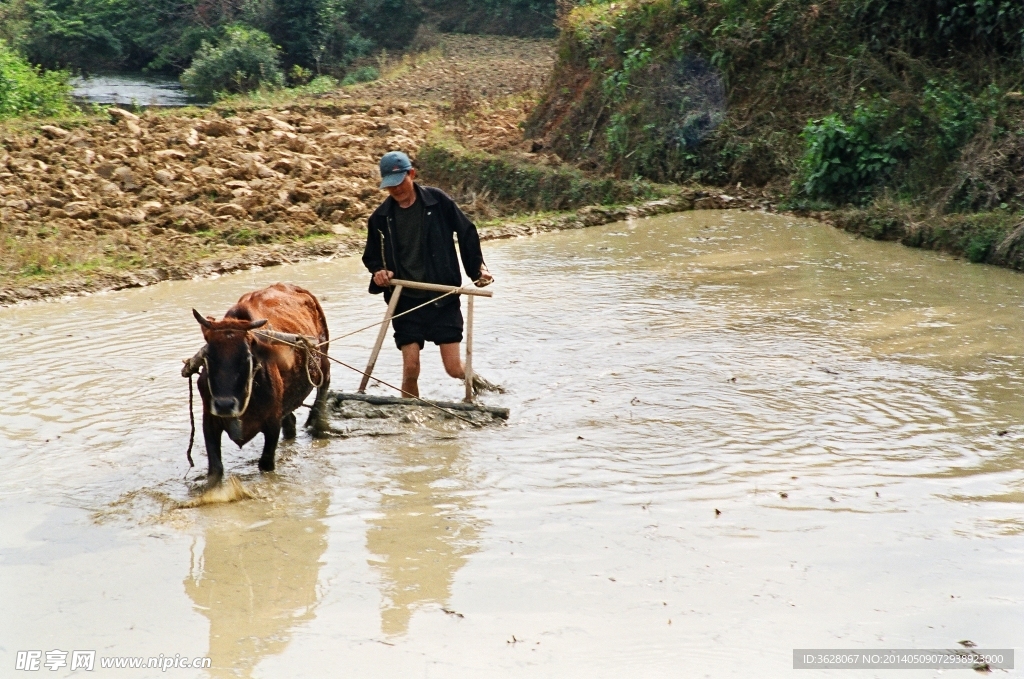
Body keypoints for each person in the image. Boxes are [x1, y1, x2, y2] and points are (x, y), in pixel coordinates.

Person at [362, 151, 493, 398]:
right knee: (411, 369)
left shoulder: (438, 202)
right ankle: (409, 417)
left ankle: (479, 388)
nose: (396, 190)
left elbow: (466, 232)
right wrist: (379, 272)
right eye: (390, 186)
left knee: (453, 368)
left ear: (411, 174)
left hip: (442, 297)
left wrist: (478, 270)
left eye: (400, 182)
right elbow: (371, 257)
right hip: (405, 301)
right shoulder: (380, 218)